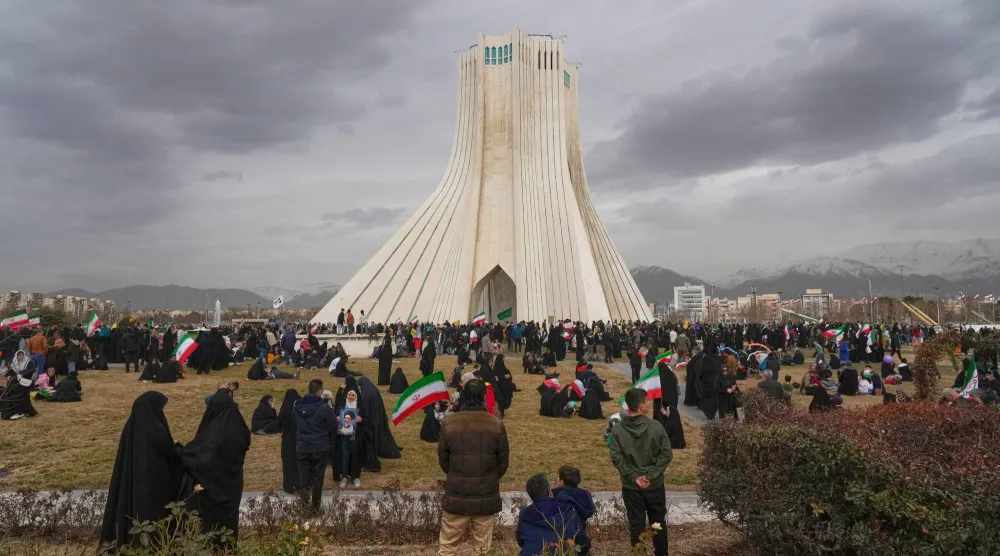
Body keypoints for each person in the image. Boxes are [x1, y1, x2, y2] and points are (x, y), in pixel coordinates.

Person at [437, 379, 510, 556]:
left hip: (457, 495)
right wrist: (487, 477)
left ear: (464, 397)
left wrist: (458, 474)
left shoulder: (449, 423)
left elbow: (444, 460)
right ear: (484, 397)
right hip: (485, 494)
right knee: (483, 549)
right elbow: (502, 462)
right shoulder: (496, 424)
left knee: (448, 547)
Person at [100, 392, 182, 549]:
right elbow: (169, 453)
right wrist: (178, 447)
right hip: (153, 483)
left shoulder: (132, 426)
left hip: (133, 479)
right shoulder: (156, 428)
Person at [179, 392, 250, 546]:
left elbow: (201, 459)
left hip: (213, 489)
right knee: (230, 523)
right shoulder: (239, 429)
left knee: (211, 530)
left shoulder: (213, 432)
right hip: (233, 484)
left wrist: (181, 452)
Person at [609, 388, 672, 556]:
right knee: (658, 523)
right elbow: (666, 454)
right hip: (655, 486)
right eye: (647, 401)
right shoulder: (656, 426)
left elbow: (617, 458)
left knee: (636, 525)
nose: (649, 403)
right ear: (642, 405)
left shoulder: (617, 431)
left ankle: (639, 553)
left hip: (632, 487)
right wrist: (651, 476)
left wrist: (634, 477)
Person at [293, 379, 337, 511]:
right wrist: (330, 440)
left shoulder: (296, 405)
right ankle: (315, 508)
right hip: (319, 446)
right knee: (318, 477)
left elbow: (294, 420)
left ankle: (304, 506)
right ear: (320, 391)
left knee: (304, 476)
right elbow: (334, 424)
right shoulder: (323, 406)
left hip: (302, 445)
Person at [515, 474, 582, 556]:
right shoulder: (567, 510)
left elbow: (521, 540)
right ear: (550, 491)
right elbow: (577, 538)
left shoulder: (524, 514)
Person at [552, 466, 595, 556]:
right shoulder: (585, 495)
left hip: (564, 539)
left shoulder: (559, 497)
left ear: (562, 482)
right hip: (582, 538)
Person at [653, 362, 686, 449]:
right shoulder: (671, 375)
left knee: (663, 422)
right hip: (672, 403)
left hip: (662, 404)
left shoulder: (660, 379)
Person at [334, 389, 361, 488]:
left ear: (356, 397)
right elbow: (334, 416)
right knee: (345, 455)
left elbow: (367, 419)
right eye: (349, 394)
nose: (350, 397)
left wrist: (361, 419)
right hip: (344, 436)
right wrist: (336, 419)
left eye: (353, 395)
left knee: (355, 455)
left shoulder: (359, 406)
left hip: (355, 436)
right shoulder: (342, 407)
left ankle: (355, 477)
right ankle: (344, 476)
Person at [277, 389, 301, 494]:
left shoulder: (285, 407)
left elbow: (278, 423)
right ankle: (299, 485)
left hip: (287, 439)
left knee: (288, 463)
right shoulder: (300, 405)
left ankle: (288, 486)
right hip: (300, 438)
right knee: (299, 463)